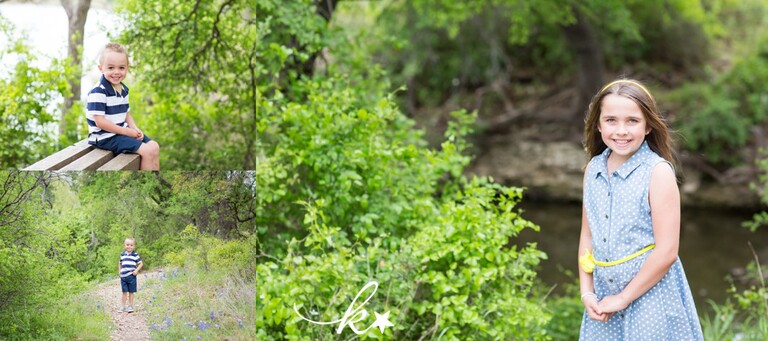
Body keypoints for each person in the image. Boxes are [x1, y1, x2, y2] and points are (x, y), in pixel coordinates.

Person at [577, 79, 703, 340]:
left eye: (632, 121)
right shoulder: (593, 170)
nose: (621, 130)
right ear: (598, 124)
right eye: (611, 120)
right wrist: (587, 292)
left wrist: (623, 298)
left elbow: (667, 251)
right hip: (604, 296)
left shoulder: (657, 173)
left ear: (648, 126)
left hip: (650, 296)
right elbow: (588, 236)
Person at [86, 42, 160, 170]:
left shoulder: (124, 89)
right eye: (111, 68)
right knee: (147, 151)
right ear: (101, 68)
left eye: (121, 68)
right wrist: (127, 132)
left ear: (127, 68)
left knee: (154, 146)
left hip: (120, 132)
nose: (116, 72)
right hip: (105, 137)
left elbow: (126, 113)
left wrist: (135, 129)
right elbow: (100, 122)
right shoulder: (98, 91)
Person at [119, 237, 143, 313]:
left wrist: (136, 270)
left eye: (131, 245)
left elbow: (141, 263)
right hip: (123, 276)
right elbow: (120, 263)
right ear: (124, 245)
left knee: (131, 292)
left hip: (132, 276)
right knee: (124, 292)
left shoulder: (135, 255)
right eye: (127, 245)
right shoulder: (122, 254)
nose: (129, 246)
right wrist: (120, 271)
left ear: (134, 246)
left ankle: (130, 306)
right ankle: (123, 306)